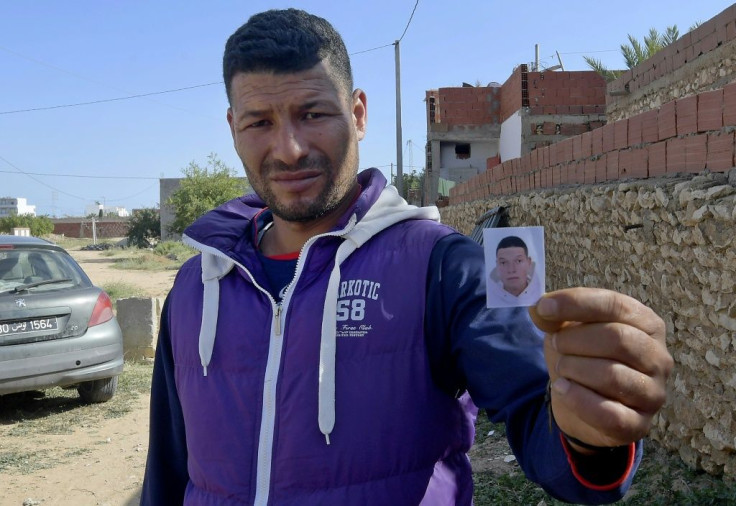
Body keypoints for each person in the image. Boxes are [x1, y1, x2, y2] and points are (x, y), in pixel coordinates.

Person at [141, 8, 673, 505]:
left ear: (358, 114)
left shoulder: (442, 267)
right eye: (260, 122)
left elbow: (542, 425)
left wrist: (589, 434)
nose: (289, 149)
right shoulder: (197, 285)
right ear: (233, 126)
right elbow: (167, 472)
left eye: (313, 113)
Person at [488, 235, 543, 307]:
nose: (511, 270)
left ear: (529, 262)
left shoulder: (542, 293)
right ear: (497, 265)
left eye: (519, 261)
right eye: (503, 262)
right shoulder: (487, 297)